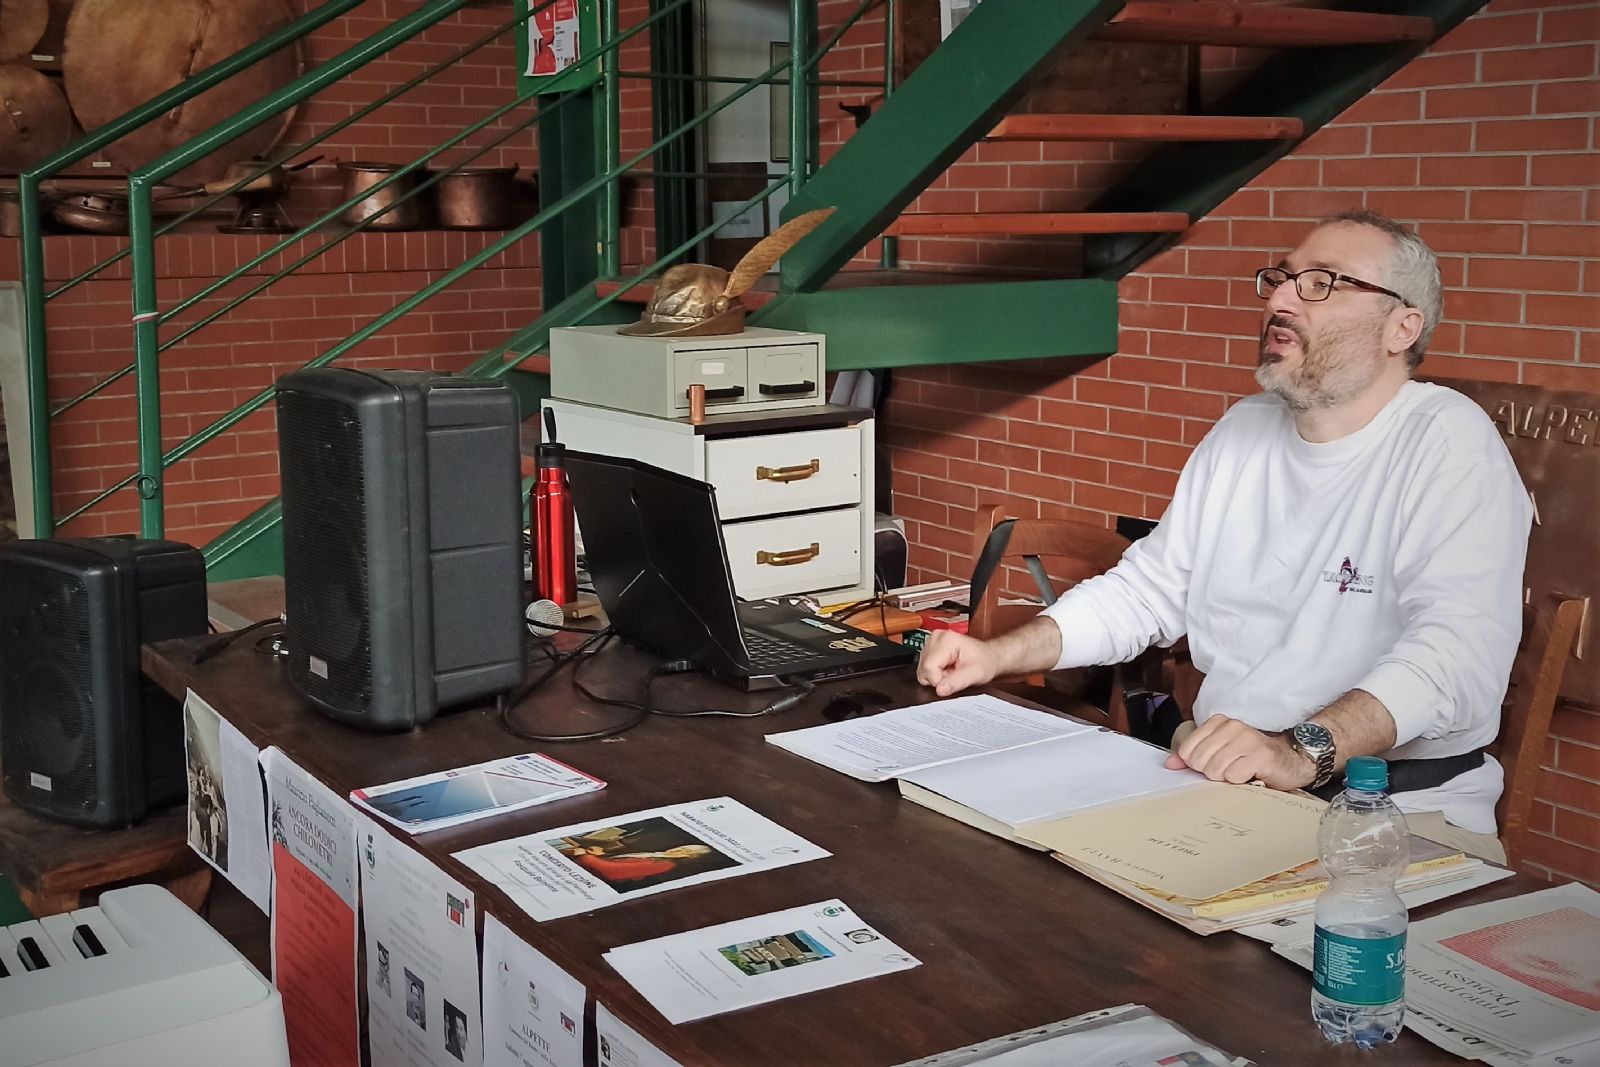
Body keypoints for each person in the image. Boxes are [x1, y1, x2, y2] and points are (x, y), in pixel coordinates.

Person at [917, 209, 1529, 862]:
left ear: (1401, 326)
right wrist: (996, 655)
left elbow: (1455, 657)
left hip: (1394, 811)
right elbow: (1145, 593)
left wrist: (1298, 752)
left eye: (1322, 282)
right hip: (1226, 790)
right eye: (1282, 278)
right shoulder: (1243, 430)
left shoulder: (1447, 441)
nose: (1281, 300)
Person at [560, 842, 714, 883]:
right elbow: (623, 862)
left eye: (685, 851)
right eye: (682, 847)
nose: (677, 849)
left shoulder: (665, 864)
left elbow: (613, 872)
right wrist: (600, 855)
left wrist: (585, 856)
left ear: (690, 857)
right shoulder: (656, 854)